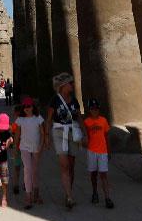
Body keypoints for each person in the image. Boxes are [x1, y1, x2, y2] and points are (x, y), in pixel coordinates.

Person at [45, 72, 83, 209]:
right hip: (59, 132)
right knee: (64, 165)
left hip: (73, 132)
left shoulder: (74, 100)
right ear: (63, 86)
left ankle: (69, 191)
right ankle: (68, 196)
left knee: (71, 165)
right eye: (70, 83)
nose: (72, 85)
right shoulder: (55, 100)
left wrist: (85, 135)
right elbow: (49, 120)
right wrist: (47, 137)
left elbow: (79, 117)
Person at [14, 96, 46, 209]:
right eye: (25, 107)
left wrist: (41, 146)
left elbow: (43, 133)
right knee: (27, 170)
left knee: (35, 170)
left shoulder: (38, 118)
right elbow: (17, 135)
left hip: (36, 147)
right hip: (24, 147)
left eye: (29, 106)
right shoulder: (20, 120)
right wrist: (15, 149)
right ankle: (28, 195)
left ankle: (36, 192)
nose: (27, 109)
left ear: (33, 107)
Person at [82, 98, 114, 209]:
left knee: (104, 175)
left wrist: (109, 151)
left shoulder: (103, 121)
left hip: (103, 151)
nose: (94, 111)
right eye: (92, 109)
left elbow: (106, 136)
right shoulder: (86, 122)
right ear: (89, 110)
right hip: (91, 151)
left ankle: (107, 198)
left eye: (96, 109)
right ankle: (95, 192)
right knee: (93, 174)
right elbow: (85, 137)